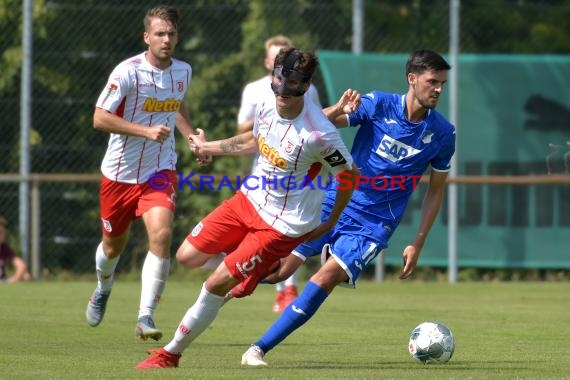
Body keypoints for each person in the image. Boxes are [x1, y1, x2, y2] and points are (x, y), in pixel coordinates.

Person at [136, 47, 360, 369]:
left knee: (215, 283)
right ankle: (251, 269)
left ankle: (170, 354)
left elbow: (349, 176)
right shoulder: (267, 103)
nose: (282, 91)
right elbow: (253, 141)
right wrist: (208, 147)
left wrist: (330, 221)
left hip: (280, 225)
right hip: (248, 199)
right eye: (279, 80)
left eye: (292, 84)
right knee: (186, 256)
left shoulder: (320, 134)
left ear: (306, 85)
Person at [239, 49, 456, 366]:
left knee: (324, 278)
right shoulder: (380, 104)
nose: (438, 89)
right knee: (278, 271)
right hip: (335, 203)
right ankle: (219, 289)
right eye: (432, 81)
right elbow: (317, 124)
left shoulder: (443, 133)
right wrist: (339, 109)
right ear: (412, 79)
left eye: (442, 84)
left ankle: (257, 349)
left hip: (374, 224)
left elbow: (435, 193)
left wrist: (418, 242)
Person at [86, 5, 207, 341]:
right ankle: (102, 288)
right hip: (118, 175)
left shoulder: (183, 71)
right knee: (113, 247)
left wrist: (191, 138)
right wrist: (144, 130)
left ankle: (145, 316)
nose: (166, 40)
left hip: (159, 170)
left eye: (171, 34)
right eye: (159, 34)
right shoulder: (126, 72)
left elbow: (177, 104)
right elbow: (99, 117)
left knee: (162, 235)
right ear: (146, 37)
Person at [237, 35, 322, 313]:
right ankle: (263, 279)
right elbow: (241, 130)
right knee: (262, 233)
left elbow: (318, 124)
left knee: (288, 228)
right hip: (265, 167)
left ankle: (287, 289)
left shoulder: (306, 89)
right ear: (268, 62)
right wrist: (270, 114)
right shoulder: (254, 91)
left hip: (296, 168)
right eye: (277, 60)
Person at [0, 215, 31, 283]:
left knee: (26, 276)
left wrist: (12, 280)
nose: (3, 235)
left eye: (2, 232)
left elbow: (21, 266)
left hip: (2, 281)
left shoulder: (4, 248)